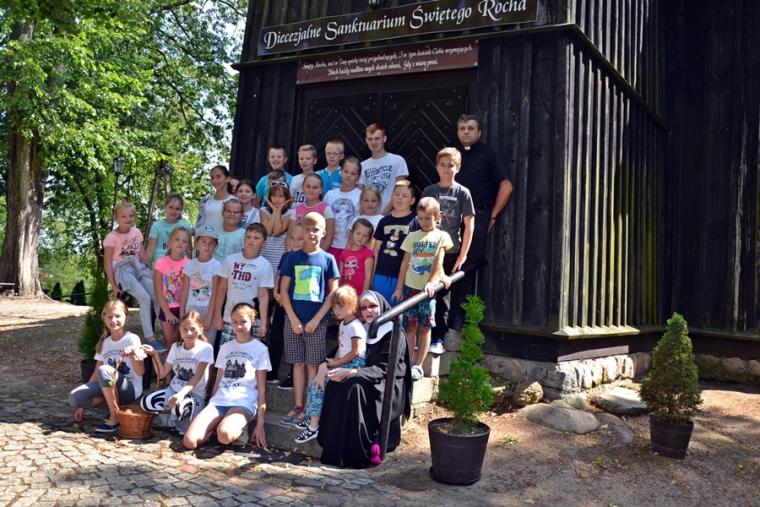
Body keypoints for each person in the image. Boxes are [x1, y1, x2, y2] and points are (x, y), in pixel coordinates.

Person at [317, 290, 412, 468]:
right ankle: (334, 449)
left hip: (388, 383)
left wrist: (352, 372)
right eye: (363, 308)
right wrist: (325, 364)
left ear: (381, 307)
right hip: (365, 375)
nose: (368, 311)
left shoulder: (393, 331)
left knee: (354, 387)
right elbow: (343, 350)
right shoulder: (362, 328)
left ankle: (357, 453)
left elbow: (385, 369)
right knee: (335, 383)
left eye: (372, 306)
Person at [278, 212, 339, 428]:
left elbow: (333, 293)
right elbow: (283, 291)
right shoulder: (292, 258)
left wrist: (317, 319)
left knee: (313, 365)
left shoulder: (328, 259)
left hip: (317, 322)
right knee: (297, 363)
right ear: (301, 231)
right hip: (293, 320)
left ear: (324, 233)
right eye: (307, 229)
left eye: (316, 230)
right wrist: (293, 318)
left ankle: (312, 408)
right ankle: (298, 405)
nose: (311, 233)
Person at [183, 303, 270, 450]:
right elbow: (219, 379)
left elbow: (262, 388)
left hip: (243, 403)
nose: (239, 326)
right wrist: (211, 402)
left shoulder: (260, 349)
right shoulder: (225, 347)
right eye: (235, 322)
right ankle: (218, 423)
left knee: (224, 435)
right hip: (220, 401)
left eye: (243, 321)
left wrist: (260, 423)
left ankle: (236, 428)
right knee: (189, 442)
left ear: (252, 320)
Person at [455, 114, 513, 325]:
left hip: (479, 215)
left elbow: (506, 186)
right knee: (448, 261)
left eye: (470, 128)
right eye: (462, 128)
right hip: (453, 218)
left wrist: (493, 215)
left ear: (479, 132)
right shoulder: (453, 156)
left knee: (467, 264)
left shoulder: (489, 154)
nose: (466, 132)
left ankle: (460, 318)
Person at [295, 286, 366, 444]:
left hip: (355, 364)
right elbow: (341, 348)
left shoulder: (355, 326)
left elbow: (356, 352)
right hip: (344, 361)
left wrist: (336, 363)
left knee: (320, 384)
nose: (337, 310)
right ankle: (311, 417)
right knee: (315, 382)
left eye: (341, 306)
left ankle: (313, 427)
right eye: (334, 307)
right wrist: (331, 363)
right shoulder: (343, 324)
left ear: (352, 305)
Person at [421, 147, 475, 355]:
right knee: (424, 291)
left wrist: (463, 254)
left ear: (458, 168)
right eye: (442, 165)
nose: (446, 169)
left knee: (443, 295)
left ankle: (438, 338)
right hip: (429, 248)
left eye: (450, 165)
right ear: (436, 167)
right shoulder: (429, 191)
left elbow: (469, 224)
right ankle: (421, 336)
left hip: (451, 250)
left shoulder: (462, 192)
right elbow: (421, 219)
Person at [393, 197, 452, 381]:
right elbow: (405, 263)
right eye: (421, 218)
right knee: (410, 326)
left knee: (425, 328)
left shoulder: (441, 236)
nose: (424, 222)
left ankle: (418, 365)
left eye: (428, 218)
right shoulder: (412, 236)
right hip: (410, 286)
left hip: (427, 291)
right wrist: (399, 288)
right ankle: (409, 362)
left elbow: (438, 261)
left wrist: (434, 280)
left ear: (437, 217)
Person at [68, 300, 146, 433]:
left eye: (118, 316)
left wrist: (133, 354)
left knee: (105, 370)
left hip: (130, 389)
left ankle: (115, 417)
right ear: (104, 318)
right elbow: (95, 373)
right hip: (109, 384)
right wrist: (82, 406)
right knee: (75, 398)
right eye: (110, 317)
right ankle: (112, 402)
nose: (113, 320)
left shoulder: (132, 339)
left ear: (126, 317)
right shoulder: (105, 343)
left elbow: (141, 372)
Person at [141, 311, 214, 435]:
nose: (188, 333)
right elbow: (162, 374)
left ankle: (180, 421)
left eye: (193, 329)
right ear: (179, 329)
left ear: (201, 330)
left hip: (194, 394)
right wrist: (155, 355)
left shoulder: (205, 348)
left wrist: (180, 395)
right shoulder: (176, 347)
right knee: (147, 402)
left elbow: (197, 377)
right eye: (184, 329)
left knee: (179, 408)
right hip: (173, 391)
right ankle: (171, 421)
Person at [214, 223, 274, 347]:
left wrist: (263, 323)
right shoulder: (230, 260)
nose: (251, 240)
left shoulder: (265, 265)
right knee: (228, 352)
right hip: (230, 317)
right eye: (248, 237)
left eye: (256, 238)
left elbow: (263, 296)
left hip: (253, 320)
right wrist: (218, 315)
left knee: (251, 353)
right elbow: (221, 289)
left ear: (264, 243)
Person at [103, 199, 155, 343]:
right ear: (116, 218)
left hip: (137, 266)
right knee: (144, 298)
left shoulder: (136, 232)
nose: (128, 219)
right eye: (124, 216)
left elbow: (143, 255)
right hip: (122, 270)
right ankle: (150, 337)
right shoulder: (111, 238)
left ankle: (166, 331)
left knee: (156, 295)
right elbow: (107, 263)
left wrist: (156, 251)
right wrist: (113, 285)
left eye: (131, 216)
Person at [371, 180, 417, 304]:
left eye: (405, 195)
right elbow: (376, 250)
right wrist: (372, 276)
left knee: (397, 311)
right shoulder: (383, 221)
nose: (400, 198)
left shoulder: (416, 221)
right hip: (381, 273)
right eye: (396, 194)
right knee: (379, 308)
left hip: (403, 276)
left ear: (412, 200)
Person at [269, 223, 304, 387]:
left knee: (295, 340)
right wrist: (276, 292)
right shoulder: (286, 256)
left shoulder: (307, 258)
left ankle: (292, 374)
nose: (295, 242)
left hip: (297, 306)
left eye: (300, 239)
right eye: (292, 238)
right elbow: (279, 275)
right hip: (281, 303)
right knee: (276, 336)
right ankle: (272, 371)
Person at [153, 227, 192, 347]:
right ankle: (168, 359)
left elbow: (188, 289)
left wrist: (182, 313)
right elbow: (158, 290)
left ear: (188, 245)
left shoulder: (190, 263)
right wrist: (167, 312)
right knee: (169, 341)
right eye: (177, 239)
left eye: (184, 241)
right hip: (167, 308)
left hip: (184, 307)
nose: (180, 243)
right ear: (169, 242)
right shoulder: (161, 263)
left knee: (182, 341)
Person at [180, 230, 220, 344]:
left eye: (211, 243)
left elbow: (215, 293)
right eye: (204, 242)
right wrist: (182, 313)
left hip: (208, 308)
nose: (207, 245)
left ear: (215, 246)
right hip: (191, 308)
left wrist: (209, 316)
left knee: (207, 343)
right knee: (190, 342)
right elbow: (184, 291)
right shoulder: (190, 265)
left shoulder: (217, 265)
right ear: (197, 244)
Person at [359, 123, 409, 215]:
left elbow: (401, 190)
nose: (373, 142)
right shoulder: (362, 165)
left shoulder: (397, 160)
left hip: (392, 215)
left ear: (384, 138)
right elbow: (359, 193)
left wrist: (383, 213)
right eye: (370, 139)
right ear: (366, 140)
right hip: (369, 216)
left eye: (377, 138)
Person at [325, 156, 362, 258]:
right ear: (340, 172)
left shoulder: (361, 196)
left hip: (351, 246)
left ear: (358, 177)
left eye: (353, 173)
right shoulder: (330, 195)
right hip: (329, 244)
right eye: (346, 171)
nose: (348, 175)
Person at [142, 194, 192, 266]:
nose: (174, 211)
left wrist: (190, 266)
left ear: (181, 210)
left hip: (180, 265)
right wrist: (144, 265)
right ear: (165, 207)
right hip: (161, 265)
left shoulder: (185, 225)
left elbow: (189, 249)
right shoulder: (156, 226)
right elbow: (150, 250)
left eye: (177, 209)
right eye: (171, 207)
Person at [259, 181, 293, 275]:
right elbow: (268, 231)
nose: (277, 199)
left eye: (281, 196)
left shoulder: (291, 213)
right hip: (265, 253)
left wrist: (278, 211)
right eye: (274, 196)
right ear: (269, 197)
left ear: (286, 198)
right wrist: (274, 211)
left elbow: (277, 231)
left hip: (279, 255)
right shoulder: (263, 211)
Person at [294, 173, 335, 250]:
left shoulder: (326, 209)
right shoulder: (297, 209)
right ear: (303, 188)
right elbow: (290, 236)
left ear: (321, 190)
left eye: (315, 187)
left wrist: (318, 255)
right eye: (308, 186)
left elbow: (329, 238)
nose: (311, 190)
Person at [196, 165, 235, 236]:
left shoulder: (234, 201)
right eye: (212, 178)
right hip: (205, 240)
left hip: (224, 240)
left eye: (218, 177)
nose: (214, 180)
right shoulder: (206, 200)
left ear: (227, 179)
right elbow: (199, 224)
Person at [338, 219, 374, 296]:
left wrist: (363, 296)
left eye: (365, 236)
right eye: (358, 233)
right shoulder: (344, 253)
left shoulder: (368, 254)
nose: (361, 237)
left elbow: (368, 277)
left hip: (359, 294)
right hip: (344, 294)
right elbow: (340, 275)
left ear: (369, 238)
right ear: (352, 233)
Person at [213, 198, 245, 263]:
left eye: (236, 212)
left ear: (242, 216)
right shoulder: (215, 233)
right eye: (228, 211)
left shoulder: (245, 235)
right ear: (222, 213)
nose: (232, 214)